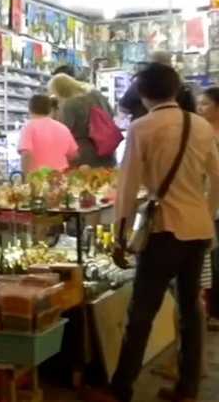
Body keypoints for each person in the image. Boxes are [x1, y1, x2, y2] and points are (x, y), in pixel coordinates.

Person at [86, 64, 219, 402]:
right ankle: (188, 388)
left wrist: (120, 234)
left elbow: (128, 185)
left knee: (142, 312)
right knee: (190, 310)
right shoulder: (201, 125)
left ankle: (121, 389)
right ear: (175, 89)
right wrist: (207, 213)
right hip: (198, 229)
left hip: (163, 230)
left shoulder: (141, 127)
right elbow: (217, 176)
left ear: (143, 94)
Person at [48, 73, 117, 168]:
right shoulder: (97, 95)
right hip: (107, 148)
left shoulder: (70, 104)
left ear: (60, 91)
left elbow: (64, 129)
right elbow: (111, 113)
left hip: (84, 154)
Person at [197, 86, 219, 326]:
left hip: (213, 201)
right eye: (199, 103)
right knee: (209, 260)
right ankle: (211, 311)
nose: (200, 108)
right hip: (204, 201)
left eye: (205, 104)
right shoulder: (199, 132)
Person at [119, 51, 196, 120]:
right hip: (177, 126)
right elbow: (191, 111)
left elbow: (124, 107)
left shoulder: (143, 82)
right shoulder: (180, 84)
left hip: (145, 125)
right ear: (169, 63)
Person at [17, 95, 79, 173]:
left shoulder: (28, 127)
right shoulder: (63, 128)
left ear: (30, 109)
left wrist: (26, 176)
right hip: (61, 175)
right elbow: (74, 155)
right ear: (49, 109)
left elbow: (26, 154)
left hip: (39, 177)